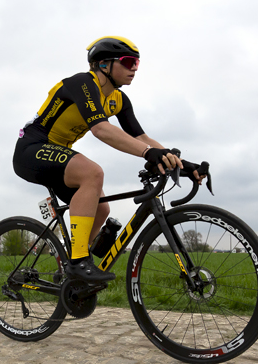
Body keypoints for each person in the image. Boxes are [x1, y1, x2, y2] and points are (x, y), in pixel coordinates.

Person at [13, 35, 188, 284]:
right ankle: (78, 263)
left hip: (58, 154)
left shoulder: (118, 100)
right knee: (92, 172)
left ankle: (68, 269)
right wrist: (148, 153)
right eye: (128, 62)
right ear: (104, 64)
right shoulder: (83, 82)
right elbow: (100, 129)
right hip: (31, 148)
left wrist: (179, 162)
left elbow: (141, 136)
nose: (134, 69)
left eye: (137, 63)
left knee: (102, 208)